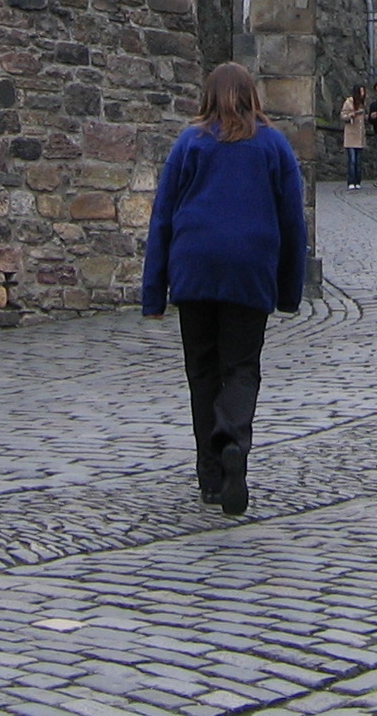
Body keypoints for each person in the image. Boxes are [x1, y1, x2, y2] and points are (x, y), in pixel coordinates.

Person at [140, 62, 306, 517]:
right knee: (241, 367)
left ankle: (211, 477)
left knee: (202, 371)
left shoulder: (189, 143)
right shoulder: (273, 145)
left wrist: (153, 292)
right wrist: (289, 290)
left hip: (194, 267)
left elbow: (163, 218)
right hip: (249, 270)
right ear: (253, 95)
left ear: (207, 97)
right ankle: (232, 438)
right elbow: (293, 222)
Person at [339, 86, 368, 191]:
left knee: (359, 161)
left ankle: (357, 181)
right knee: (352, 160)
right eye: (361, 91)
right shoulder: (349, 102)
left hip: (359, 135)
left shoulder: (363, 104)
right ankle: (351, 181)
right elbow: (343, 115)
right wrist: (352, 114)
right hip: (351, 135)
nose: (363, 93)